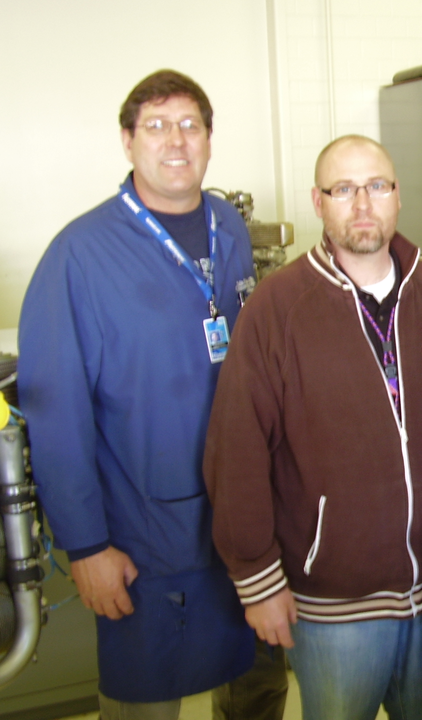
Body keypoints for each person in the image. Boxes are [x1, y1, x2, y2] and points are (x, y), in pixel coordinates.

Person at [18, 70, 287, 717]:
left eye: (190, 125)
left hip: (242, 522)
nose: (176, 141)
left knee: (257, 686)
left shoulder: (227, 225)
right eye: (157, 125)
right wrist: (84, 545)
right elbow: (55, 412)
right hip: (145, 535)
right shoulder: (79, 254)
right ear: (128, 140)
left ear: (210, 139)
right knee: (147, 699)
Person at [203, 135, 422, 720]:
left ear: (397, 195)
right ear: (317, 202)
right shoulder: (277, 309)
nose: (362, 204)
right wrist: (257, 579)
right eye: (343, 189)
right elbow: (236, 450)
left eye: (376, 186)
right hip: (332, 607)